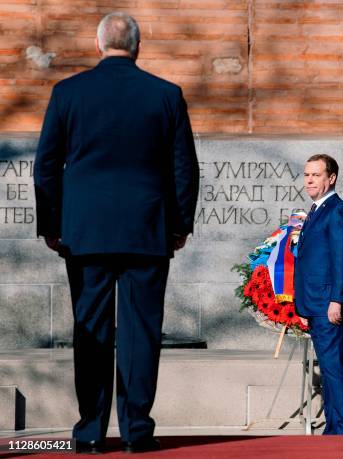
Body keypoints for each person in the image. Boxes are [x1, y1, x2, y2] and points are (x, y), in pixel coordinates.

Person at [33, 12, 199, 453]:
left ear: (98, 43)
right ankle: (136, 430)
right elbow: (184, 168)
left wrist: (51, 224)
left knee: (91, 329)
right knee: (142, 332)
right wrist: (180, 224)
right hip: (146, 229)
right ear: (138, 46)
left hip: (85, 232)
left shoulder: (68, 93)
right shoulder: (166, 94)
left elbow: (46, 165)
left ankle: (89, 430)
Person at [294, 154, 343, 435]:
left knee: (333, 369)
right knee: (330, 370)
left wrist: (336, 301)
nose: (309, 180)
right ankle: (334, 427)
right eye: (307, 174)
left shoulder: (337, 211)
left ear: (331, 178)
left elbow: (341, 259)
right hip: (315, 303)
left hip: (328, 304)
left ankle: (341, 430)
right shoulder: (317, 210)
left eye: (316, 175)